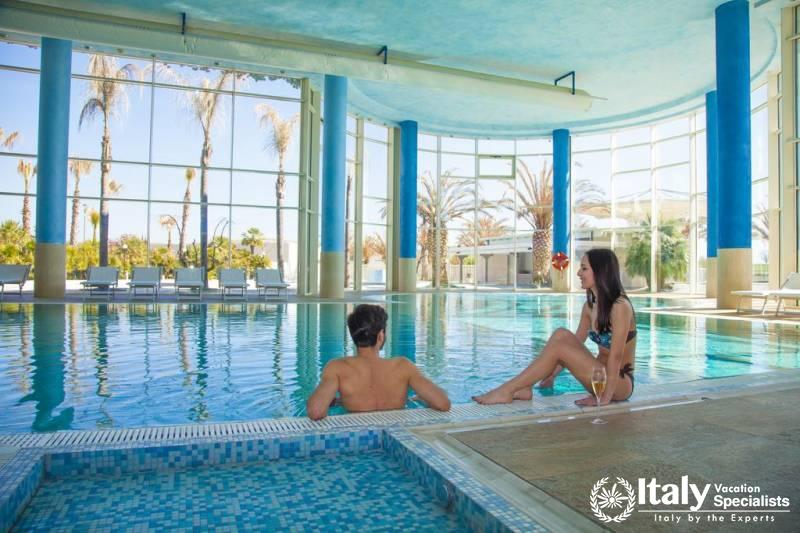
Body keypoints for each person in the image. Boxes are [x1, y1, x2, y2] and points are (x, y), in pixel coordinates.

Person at [472, 248, 636, 406]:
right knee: (561, 334)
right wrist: (552, 375)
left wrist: (605, 399)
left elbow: (615, 357)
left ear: (600, 272)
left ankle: (508, 390)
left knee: (561, 341)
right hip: (598, 378)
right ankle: (524, 387)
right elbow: (575, 344)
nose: (579, 273)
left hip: (619, 384)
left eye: (584, 268)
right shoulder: (590, 307)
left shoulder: (620, 306)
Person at [307, 304, 451, 420]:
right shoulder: (403, 366)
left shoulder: (337, 368)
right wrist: (421, 398)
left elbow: (316, 411)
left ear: (353, 335)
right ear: (381, 335)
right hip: (397, 434)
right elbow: (443, 403)